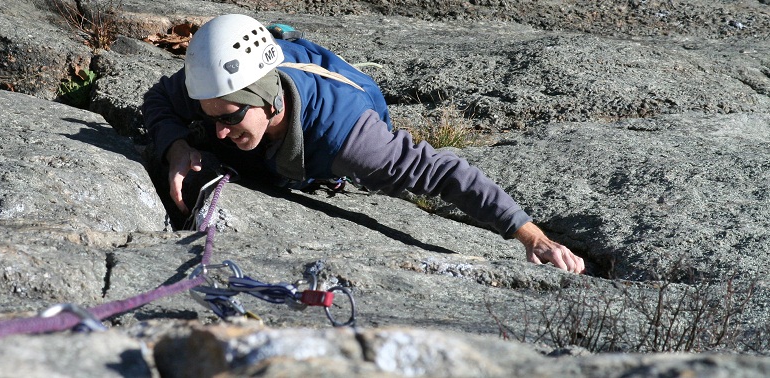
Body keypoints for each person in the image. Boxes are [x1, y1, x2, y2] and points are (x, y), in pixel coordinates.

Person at [141, 14, 585, 274]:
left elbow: (445, 173)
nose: (219, 131)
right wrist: (176, 145)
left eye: (232, 118)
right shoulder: (217, 88)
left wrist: (533, 237)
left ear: (269, 98)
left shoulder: (353, 142)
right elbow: (159, 97)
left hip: (340, 113)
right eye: (210, 117)